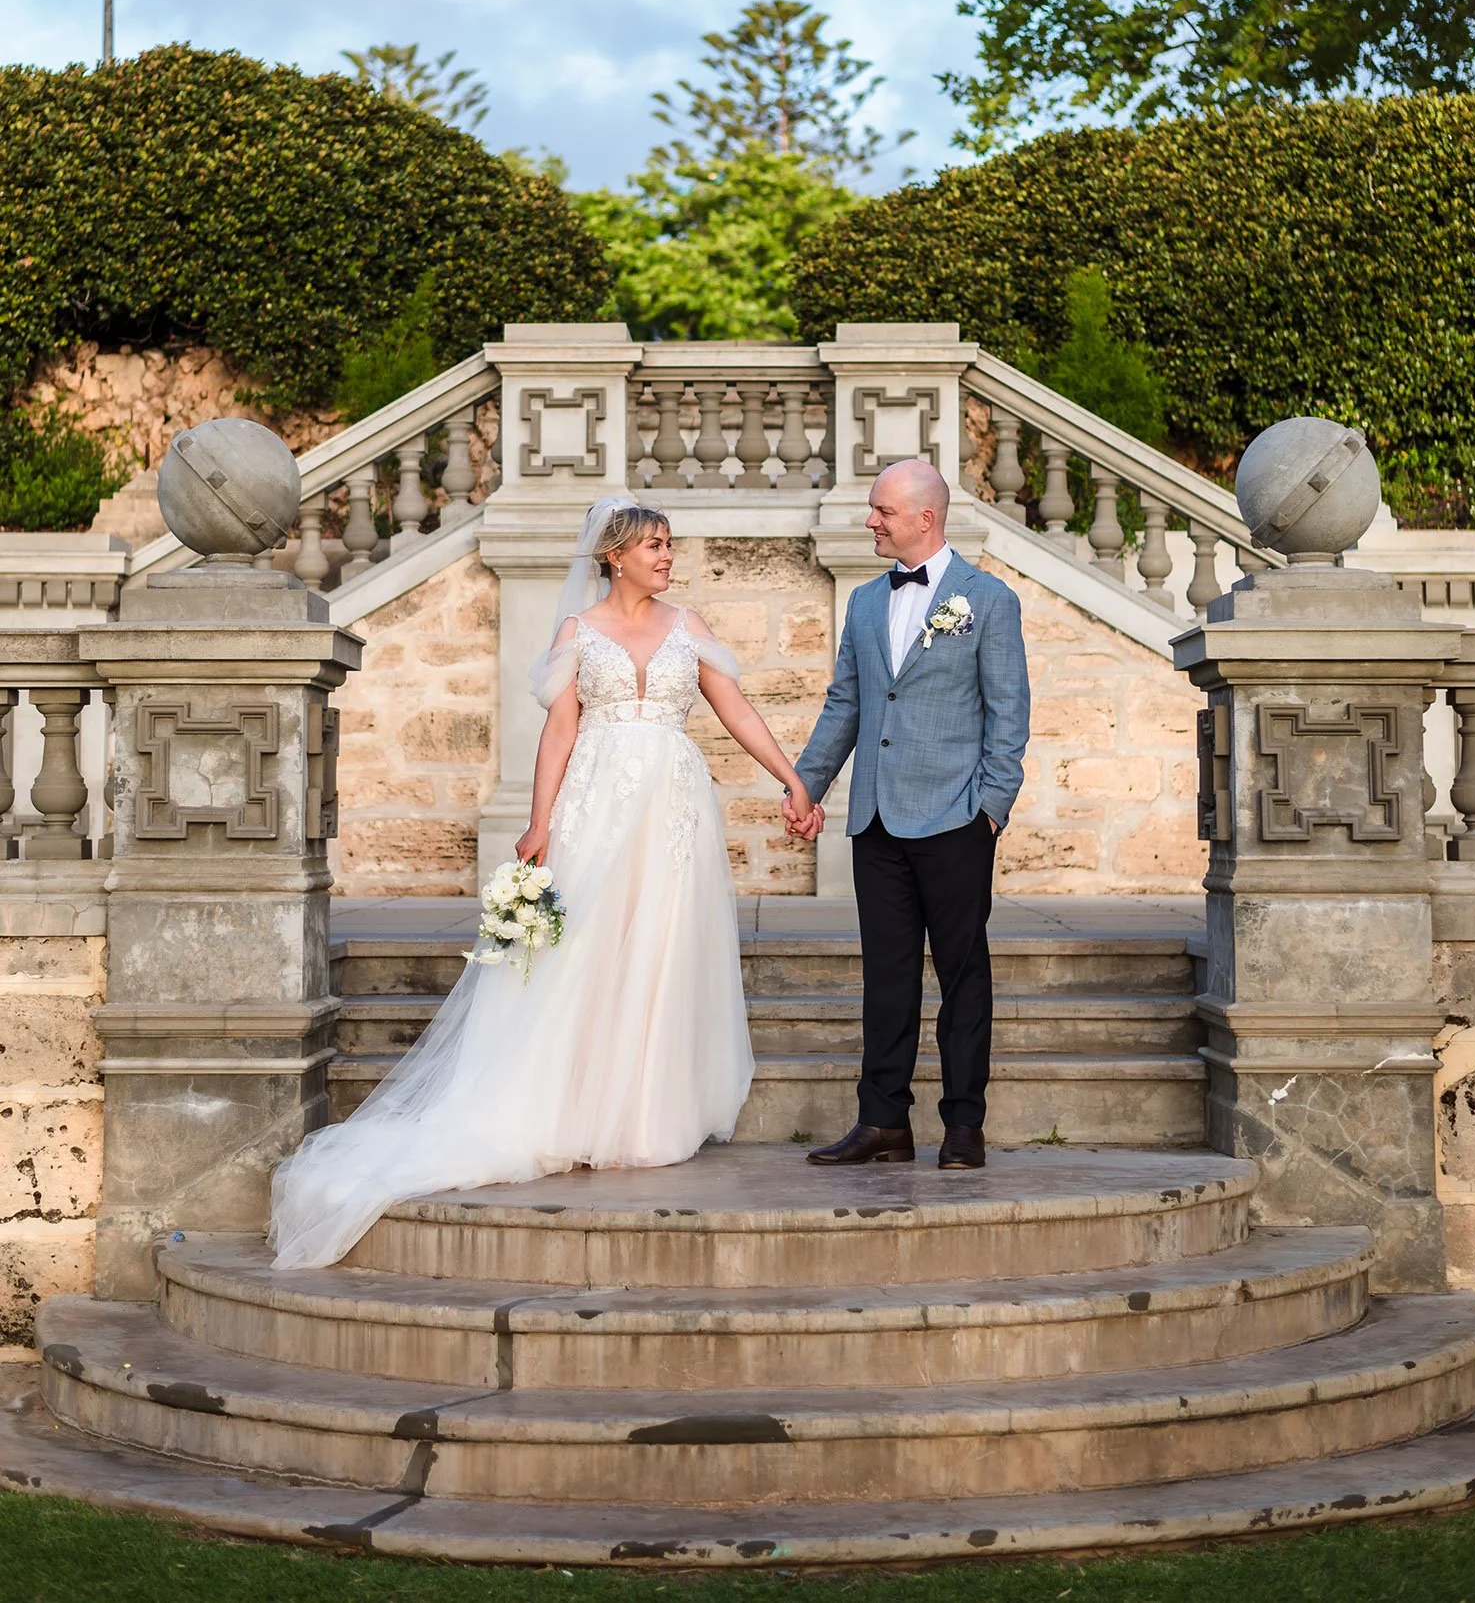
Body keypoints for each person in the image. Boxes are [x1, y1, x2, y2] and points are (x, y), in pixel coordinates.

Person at [268, 495, 816, 1270]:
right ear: (613, 556)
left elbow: (738, 712)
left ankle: (642, 1113)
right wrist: (539, 823)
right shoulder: (576, 632)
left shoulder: (689, 627)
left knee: (659, 946)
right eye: (653, 545)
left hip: (672, 806)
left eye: (668, 544)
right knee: (587, 949)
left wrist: (792, 780)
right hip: (595, 802)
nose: (666, 556)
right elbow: (559, 730)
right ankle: (571, 1103)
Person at [785, 458, 1029, 1171]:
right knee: (886, 976)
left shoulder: (988, 600)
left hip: (956, 817)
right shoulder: (864, 602)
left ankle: (963, 1126)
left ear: (926, 517)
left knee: (962, 974)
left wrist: (990, 809)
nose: (870, 521)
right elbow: (848, 704)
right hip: (877, 822)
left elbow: (1008, 717)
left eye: (881, 510)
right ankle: (883, 1122)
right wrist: (808, 786)